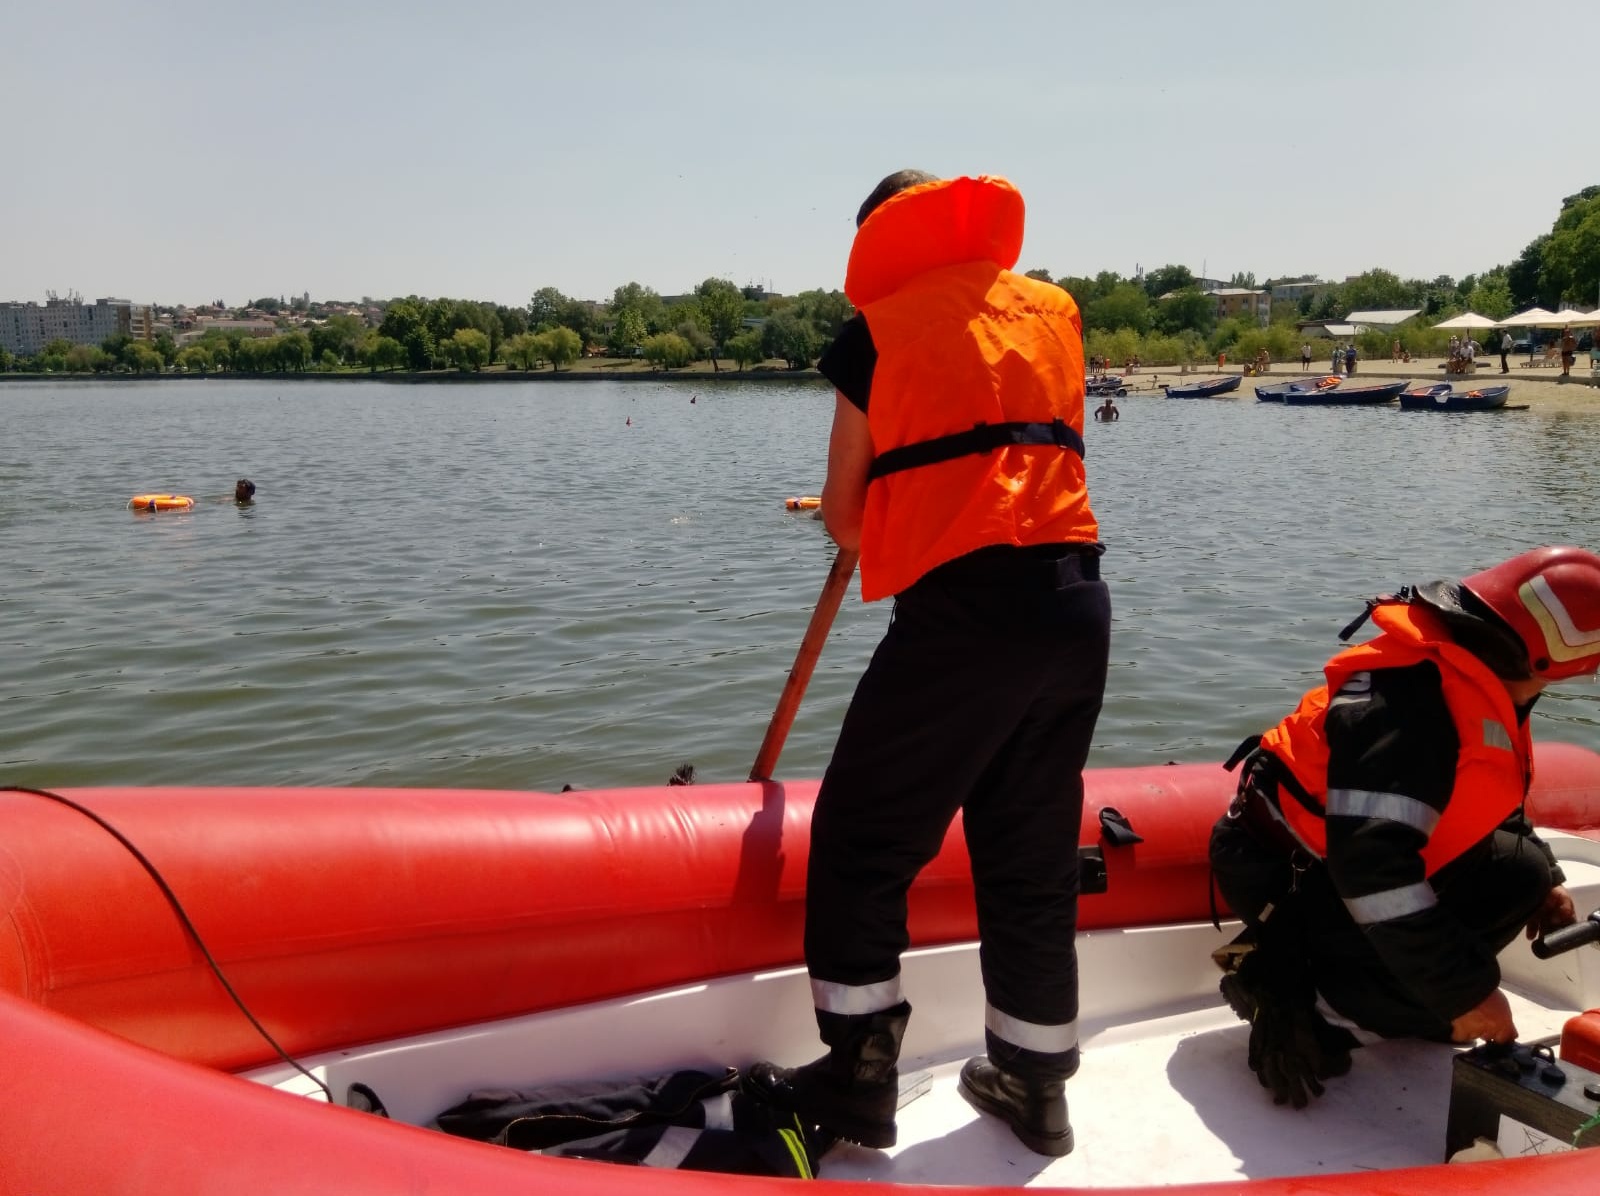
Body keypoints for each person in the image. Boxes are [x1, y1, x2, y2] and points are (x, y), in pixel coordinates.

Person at [742, 170, 1111, 1159]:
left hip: (965, 617)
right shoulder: (1054, 310)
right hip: (1076, 604)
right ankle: (1035, 1086)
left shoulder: (875, 333)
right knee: (1030, 857)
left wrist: (891, 507)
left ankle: (859, 1077)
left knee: (860, 841)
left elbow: (846, 515)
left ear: (882, 238)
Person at [1208, 546, 1600, 1110]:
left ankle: (1398, 998)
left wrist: (1549, 880)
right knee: (1431, 994)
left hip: (1341, 862)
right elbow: (1373, 869)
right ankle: (1297, 995)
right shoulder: (1410, 707)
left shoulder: (1482, 678)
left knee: (1524, 874)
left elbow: (1488, 793)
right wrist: (1464, 992)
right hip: (1290, 875)